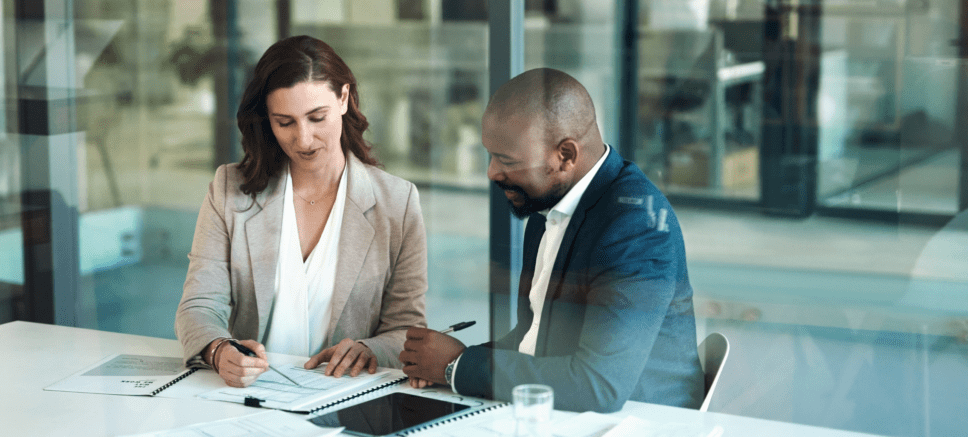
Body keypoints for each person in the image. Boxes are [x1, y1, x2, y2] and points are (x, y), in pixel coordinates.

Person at [400, 68, 703, 412]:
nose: (492, 172)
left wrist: (458, 367)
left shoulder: (635, 229)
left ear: (566, 156)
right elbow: (534, 337)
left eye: (507, 160)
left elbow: (597, 386)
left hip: (640, 421)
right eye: (490, 154)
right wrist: (449, 362)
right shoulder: (549, 207)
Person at [176, 35, 428, 387]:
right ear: (267, 118)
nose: (304, 139)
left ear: (343, 99)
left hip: (346, 397)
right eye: (285, 122)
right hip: (249, 395)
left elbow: (406, 329)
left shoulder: (398, 202)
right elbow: (199, 306)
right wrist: (219, 350)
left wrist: (369, 349)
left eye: (316, 117)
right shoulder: (228, 189)